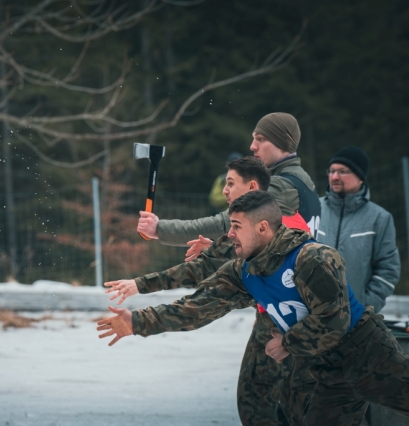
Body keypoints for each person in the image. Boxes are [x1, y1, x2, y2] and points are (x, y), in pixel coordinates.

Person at [99, 191, 409, 425]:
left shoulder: (312, 259)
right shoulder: (243, 271)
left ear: (262, 227)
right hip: (326, 372)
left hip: (367, 353)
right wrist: (137, 321)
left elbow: (334, 321)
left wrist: (287, 342)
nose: (229, 234)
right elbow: (196, 307)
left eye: (236, 226)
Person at [109, 156, 306, 426]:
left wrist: (138, 319)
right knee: (272, 406)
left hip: (295, 331)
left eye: (230, 183)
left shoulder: (259, 251)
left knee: (261, 407)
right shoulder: (274, 224)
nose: (224, 190)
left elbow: (200, 303)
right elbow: (207, 266)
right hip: (281, 323)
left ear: (251, 188)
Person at [138, 112, 320, 247]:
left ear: (284, 142)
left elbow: (227, 224)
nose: (252, 146)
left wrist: (160, 229)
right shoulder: (301, 179)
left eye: (261, 139)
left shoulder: (281, 185)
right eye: (253, 139)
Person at [318, 146, 400, 312]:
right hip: (311, 315)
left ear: (360, 177)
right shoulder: (314, 208)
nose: (334, 177)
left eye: (342, 171)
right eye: (332, 171)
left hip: (354, 318)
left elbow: (388, 269)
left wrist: (366, 306)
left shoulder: (379, 218)